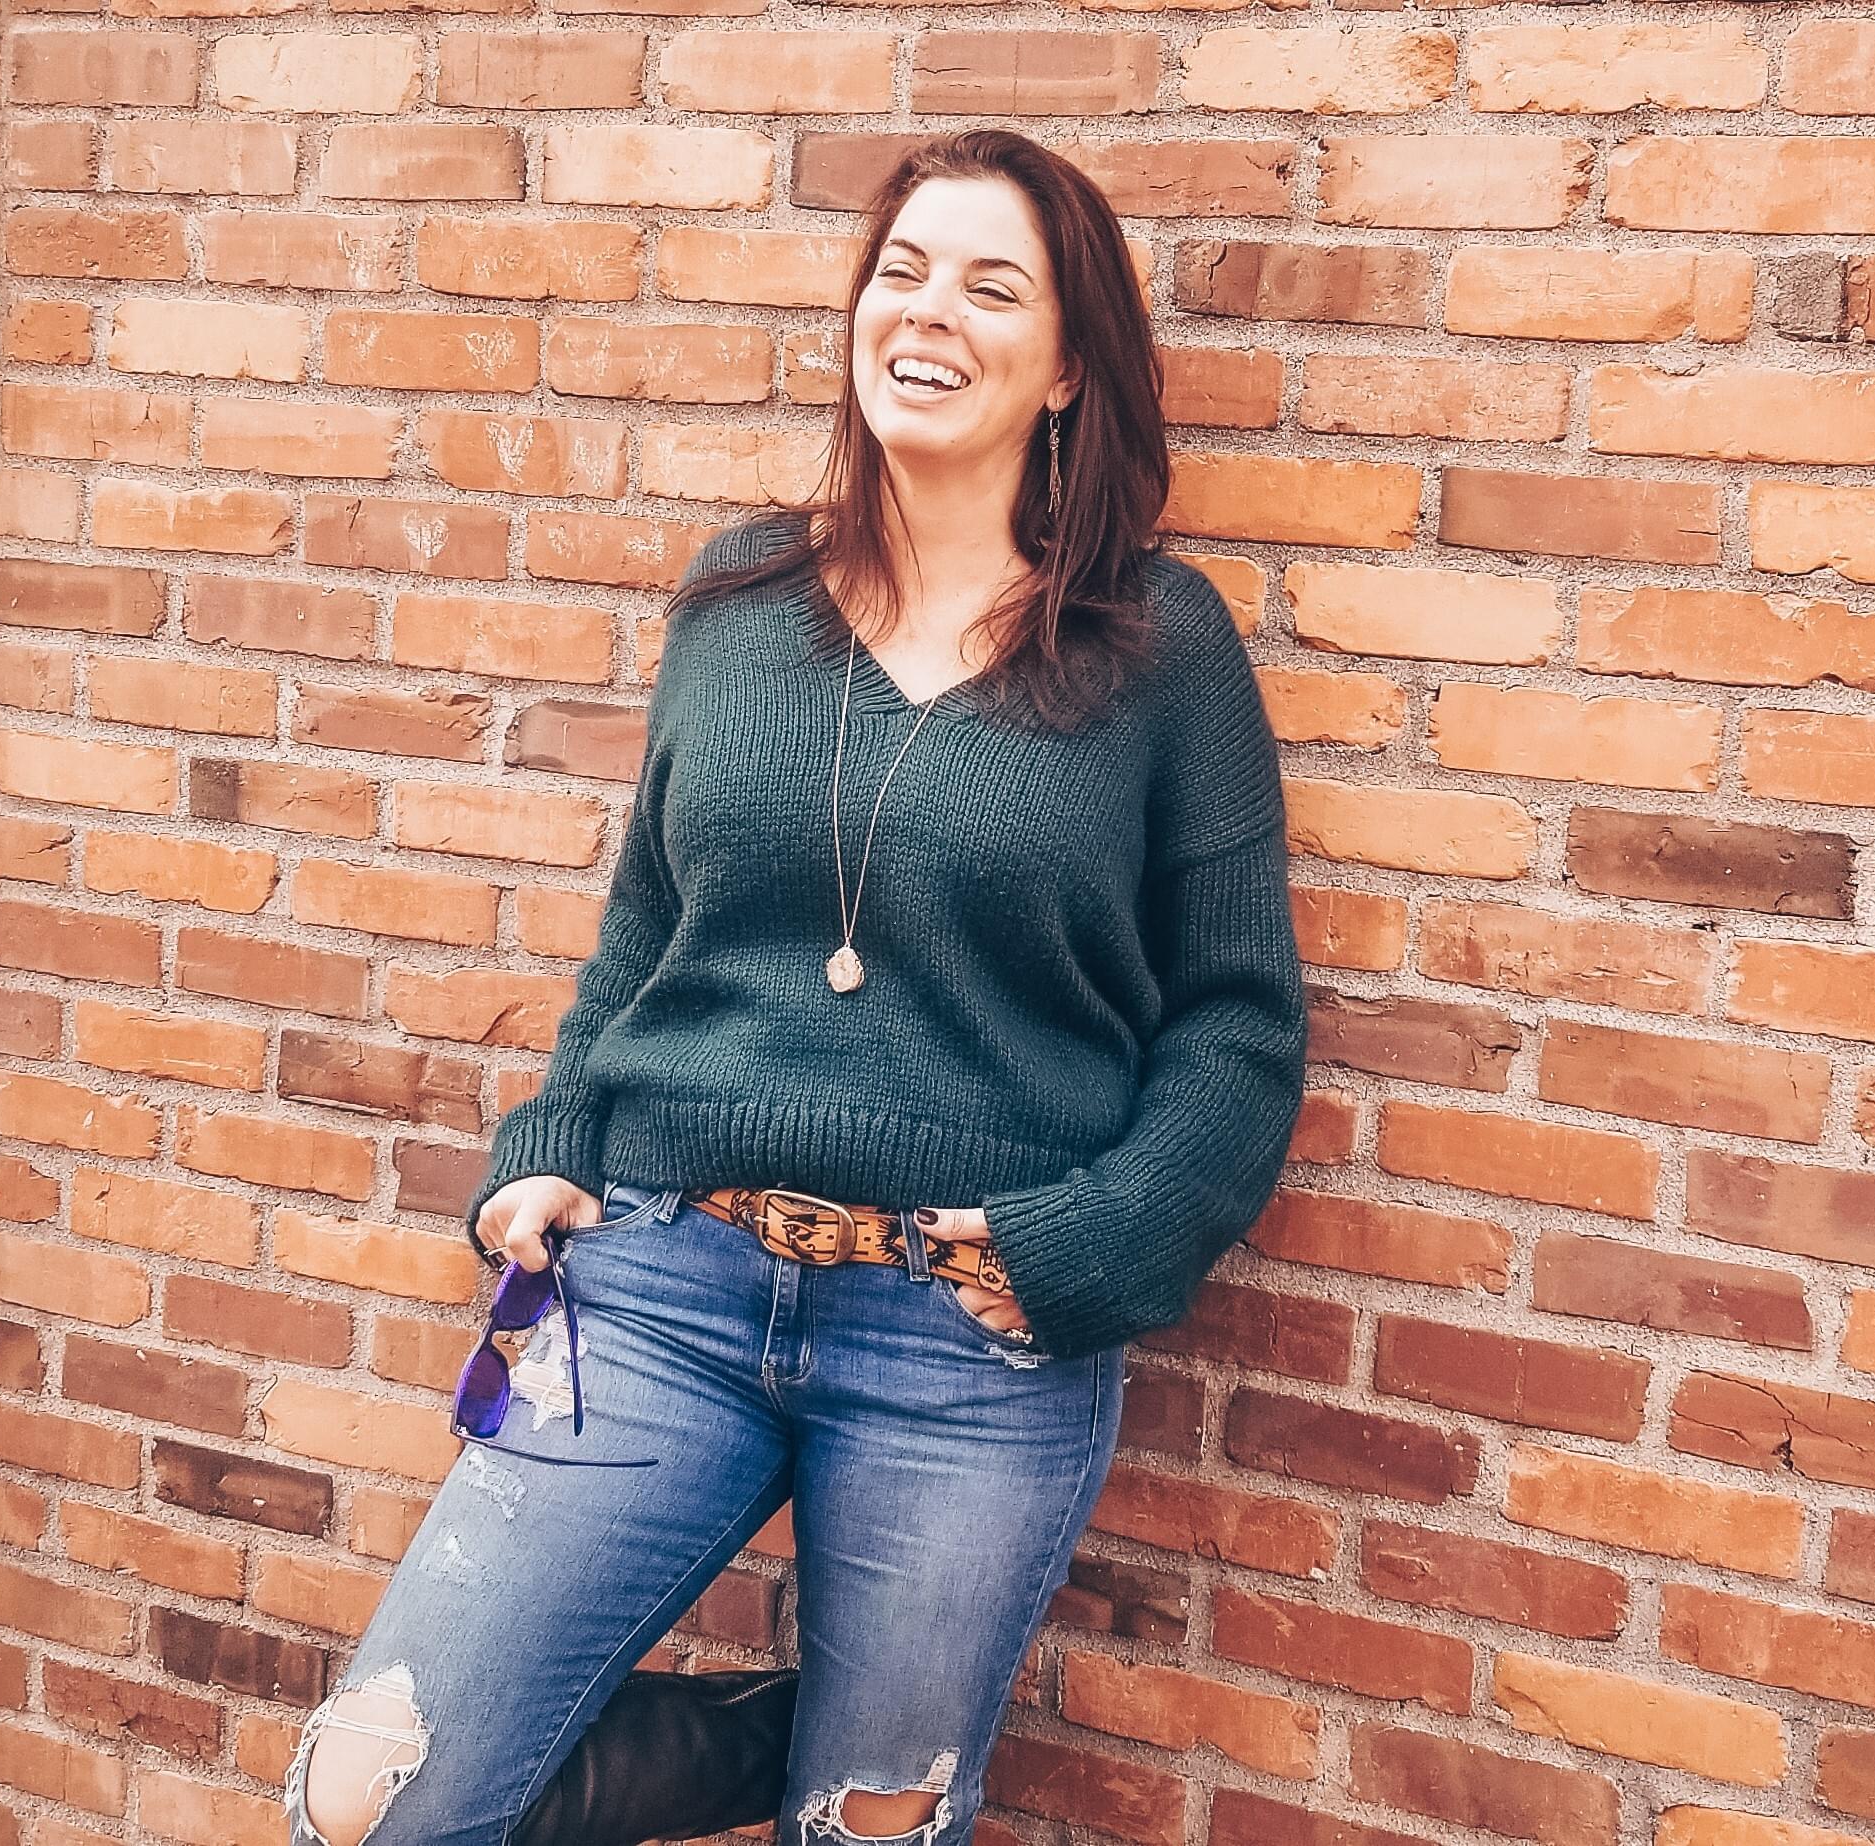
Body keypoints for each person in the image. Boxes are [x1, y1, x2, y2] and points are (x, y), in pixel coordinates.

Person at [284, 126, 1308, 1846]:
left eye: (992, 287)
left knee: (866, 1832)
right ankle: (794, 1732)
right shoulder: (740, 596)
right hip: (660, 1286)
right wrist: (551, 1140)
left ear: (1068, 368)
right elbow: (647, 925)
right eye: (901, 271)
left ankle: (858, 1748)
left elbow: (1238, 1026)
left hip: (965, 1330)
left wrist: (1098, 1242)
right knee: (372, 1796)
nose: (929, 311)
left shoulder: (1159, 646)